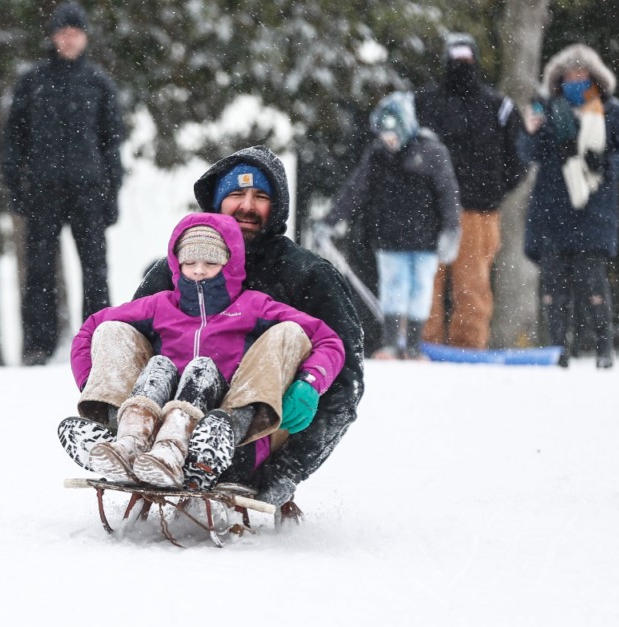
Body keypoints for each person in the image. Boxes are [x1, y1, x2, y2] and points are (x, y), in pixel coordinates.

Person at [69, 146, 363, 509]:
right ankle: (123, 437)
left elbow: (346, 378)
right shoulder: (173, 272)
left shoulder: (307, 275)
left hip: (252, 437)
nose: (247, 206)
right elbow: (121, 342)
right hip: (163, 415)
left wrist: (287, 471)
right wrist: (97, 388)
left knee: (287, 333)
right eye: (236, 195)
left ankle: (219, 439)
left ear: (278, 207)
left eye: (261, 196)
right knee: (116, 330)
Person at [2, 1, 125, 366]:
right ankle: (38, 346)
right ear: (53, 37)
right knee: (39, 272)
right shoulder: (32, 82)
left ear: (85, 38)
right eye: (63, 33)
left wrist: (112, 193)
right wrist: (16, 188)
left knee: (95, 269)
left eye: (75, 33)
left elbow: (112, 143)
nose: (69, 40)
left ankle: (101, 342)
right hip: (42, 190)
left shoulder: (99, 84)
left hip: (88, 190)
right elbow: (13, 140)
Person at [520, 44, 619, 369]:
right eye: (569, 76)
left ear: (594, 77)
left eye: (582, 75)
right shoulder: (545, 109)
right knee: (554, 288)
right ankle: (558, 349)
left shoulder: (614, 112)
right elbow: (527, 152)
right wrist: (531, 133)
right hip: (551, 211)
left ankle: (603, 349)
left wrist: (606, 163)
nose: (575, 81)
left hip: (594, 211)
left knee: (592, 283)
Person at [324, 92, 462, 360]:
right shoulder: (377, 155)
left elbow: (448, 194)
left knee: (421, 287)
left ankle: (412, 345)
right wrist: (329, 221)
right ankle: (390, 343)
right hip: (389, 239)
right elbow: (356, 190)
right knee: (393, 286)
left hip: (426, 241)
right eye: (383, 133)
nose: (388, 139)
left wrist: (451, 230)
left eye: (393, 132)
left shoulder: (432, 152)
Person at [415, 33, 527, 349]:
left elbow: (520, 156)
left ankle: (468, 348)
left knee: (472, 285)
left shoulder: (499, 106)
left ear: (476, 60)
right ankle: (424, 344)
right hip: (430, 212)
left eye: (466, 57)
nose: (461, 64)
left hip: (478, 212)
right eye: (455, 57)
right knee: (427, 284)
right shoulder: (423, 103)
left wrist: (495, 189)